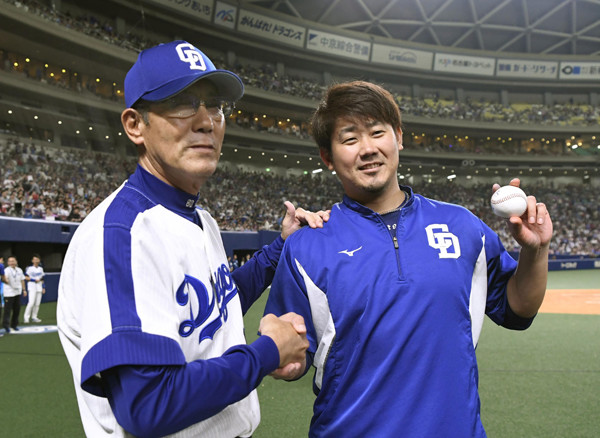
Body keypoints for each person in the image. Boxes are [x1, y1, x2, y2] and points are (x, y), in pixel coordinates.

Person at [57, 40, 328, 438]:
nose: (206, 121)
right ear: (135, 125)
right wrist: (267, 352)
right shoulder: (122, 233)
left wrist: (280, 248)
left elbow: (215, 303)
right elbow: (148, 405)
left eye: (214, 105)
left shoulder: (198, 217)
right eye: (182, 102)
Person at [264, 81, 553, 437]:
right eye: (350, 139)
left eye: (377, 132)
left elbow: (518, 309)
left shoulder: (463, 226)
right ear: (328, 157)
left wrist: (535, 251)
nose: (368, 149)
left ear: (398, 137)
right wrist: (283, 360)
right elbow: (294, 356)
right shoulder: (307, 246)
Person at [2, 256, 25, 333]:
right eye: (10, 261)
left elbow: (22, 280)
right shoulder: (6, 270)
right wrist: (6, 281)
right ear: (8, 263)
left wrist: (24, 289)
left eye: (13, 261)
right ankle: (6, 326)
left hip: (17, 292)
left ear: (16, 261)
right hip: (9, 293)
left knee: (17, 310)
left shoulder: (19, 270)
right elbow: (4, 279)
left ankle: (14, 325)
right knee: (7, 311)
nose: (11, 263)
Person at [24, 254, 45, 323]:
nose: (36, 261)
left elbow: (42, 278)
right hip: (32, 286)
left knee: (37, 303)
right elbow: (26, 277)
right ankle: (26, 318)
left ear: (39, 260)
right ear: (32, 260)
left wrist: (43, 287)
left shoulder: (40, 269)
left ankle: (34, 317)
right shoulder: (29, 268)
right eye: (34, 259)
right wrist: (33, 280)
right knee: (31, 303)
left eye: (37, 259)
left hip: (39, 287)